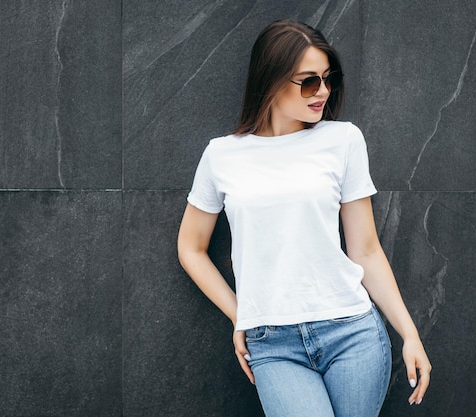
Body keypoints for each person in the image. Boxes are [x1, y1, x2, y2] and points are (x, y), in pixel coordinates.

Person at [177, 19, 431, 417]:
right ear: (272, 81)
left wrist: (409, 333)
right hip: (272, 343)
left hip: (352, 333)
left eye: (328, 79)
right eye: (309, 82)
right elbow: (190, 248)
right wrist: (239, 312)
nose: (324, 92)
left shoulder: (343, 140)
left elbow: (365, 250)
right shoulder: (221, 156)